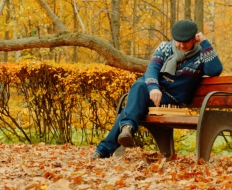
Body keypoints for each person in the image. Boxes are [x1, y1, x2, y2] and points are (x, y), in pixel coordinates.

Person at [92, 19, 223, 159]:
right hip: (153, 94)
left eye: (185, 41)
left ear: (194, 39)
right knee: (139, 85)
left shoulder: (201, 55)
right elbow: (152, 68)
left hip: (171, 100)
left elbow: (215, 70)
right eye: (177, 41)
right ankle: (124, 131)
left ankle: (107, 146)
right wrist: (154, 87)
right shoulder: (165, 47)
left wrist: (204, 42)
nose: (180, 45)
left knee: (130, 108)